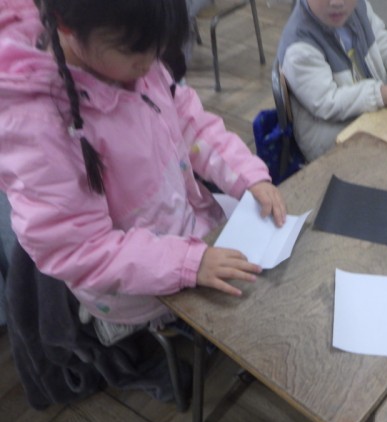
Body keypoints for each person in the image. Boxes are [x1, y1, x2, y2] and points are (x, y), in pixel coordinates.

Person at [0, 0, 287, 336]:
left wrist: (247, 175)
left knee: (273, 266)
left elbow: (190, 122)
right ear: (65, 25)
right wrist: (187, 263)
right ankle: (137, 329)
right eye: (136, 51)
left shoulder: (133, 53)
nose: (151, 62)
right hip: (133, 283)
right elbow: (81, 249)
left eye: (157, 47)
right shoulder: (37, 126)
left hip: (183, 221)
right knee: (257, 314)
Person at [276, 0, 387, 161]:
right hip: (331, 141)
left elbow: (383, 43)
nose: (337, 2)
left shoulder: (359, 7)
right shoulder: (299, 48)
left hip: (368, 114)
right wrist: (380, 94)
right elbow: (327, 102)